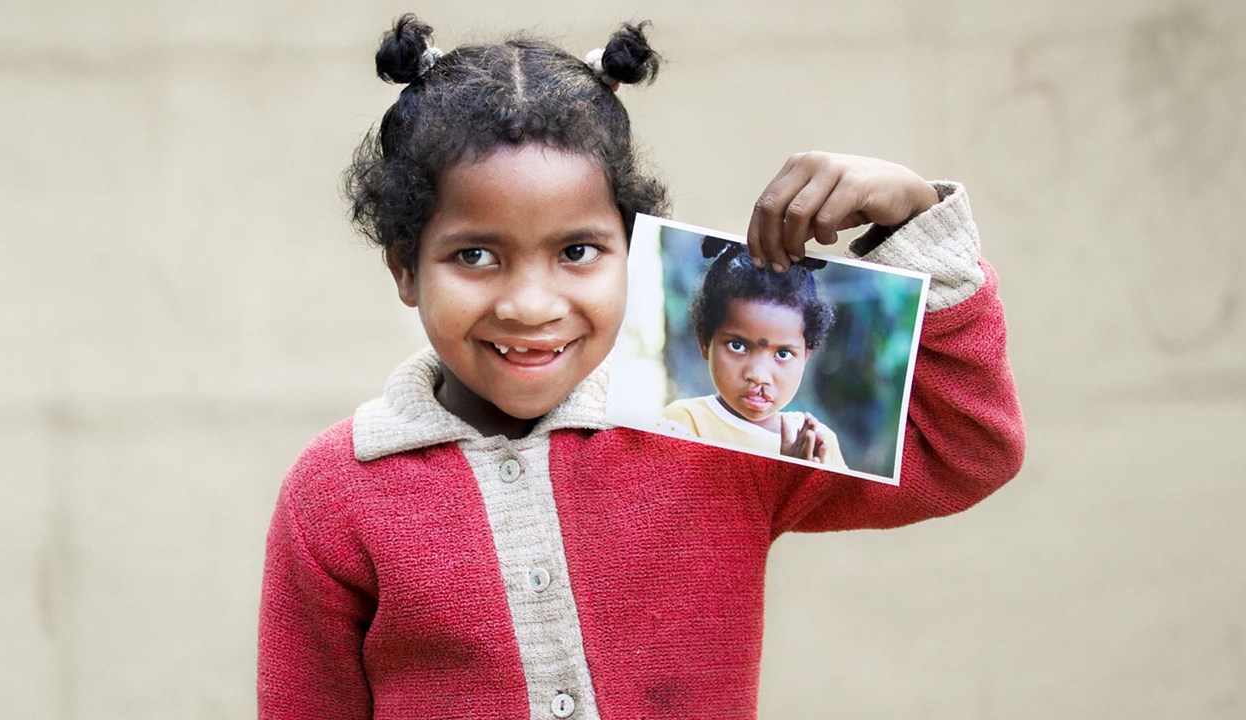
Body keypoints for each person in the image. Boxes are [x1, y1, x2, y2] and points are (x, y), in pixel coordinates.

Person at [258, 14, 1025, 720]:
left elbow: (965, 453)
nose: (531, 305)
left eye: (577, 252)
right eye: (475, 255)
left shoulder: (719, 433)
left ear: (633, 251)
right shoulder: (335, 491)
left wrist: (920, 229)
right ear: (405, 267)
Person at [663, 240, 847, 467]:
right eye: (737, 346)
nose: (758, 375)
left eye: (782, 353)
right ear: (705, 342)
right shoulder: (686, 422)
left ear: (806, 355)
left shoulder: (818, 442)